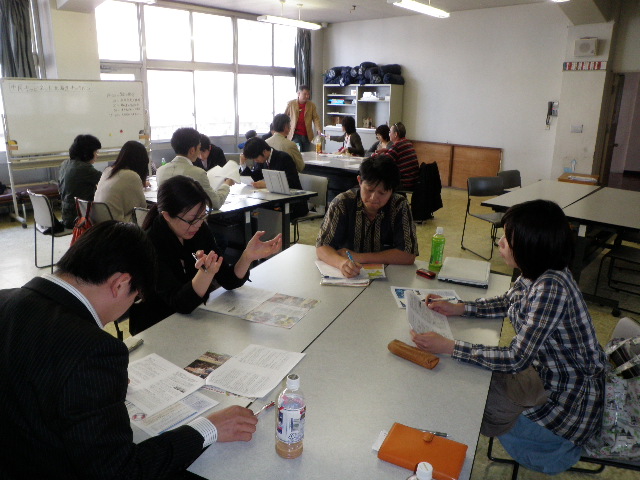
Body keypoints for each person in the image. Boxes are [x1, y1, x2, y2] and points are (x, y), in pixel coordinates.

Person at [0, 220, 259, 479]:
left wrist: (95, 386)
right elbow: (120, 471)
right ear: (120, 284)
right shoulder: (93, 349)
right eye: (137, 297)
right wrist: (208, 428)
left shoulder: (5, 299)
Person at [412, 199, 606, 475]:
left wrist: (450, 346)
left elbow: (516, 358)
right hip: (543, 377)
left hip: (565, 409)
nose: (500, 242)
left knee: (467, 394)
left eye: (508, 239)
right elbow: (508, 302)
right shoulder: (538, 271)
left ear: (531, 247)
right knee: (468, 377)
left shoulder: (551, 288)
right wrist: (461, 308)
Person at [129, 175, 281, 334]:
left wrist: (247, 256)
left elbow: (228, 280)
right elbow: (179, 303)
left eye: (202, 216)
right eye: (191, 220)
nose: (198, 224)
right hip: (157, 326)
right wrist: (206, 274)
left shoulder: (198, 230)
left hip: (194, 319)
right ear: (167, 215)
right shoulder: (151, 244)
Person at [316, 155, 418, 278]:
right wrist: (341, 263)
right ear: (359, 181)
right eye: (369, 190)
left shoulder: (399, 205)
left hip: (388, 277)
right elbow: (322, 246)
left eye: (382, 193)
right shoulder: (342, 203)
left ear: (392, 191)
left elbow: (408, 254)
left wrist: (359, 257)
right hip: (348, 277)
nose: (374, 198)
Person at [156, 127, 233, 210]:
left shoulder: (160, 171)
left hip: (167, 217)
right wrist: (226, 185)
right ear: (192, 150)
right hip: (188, 217)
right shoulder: (198, 173)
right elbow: (216, 203)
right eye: (199, 148)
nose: (199, 152)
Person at [240, 137, 309, 219]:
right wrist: (243, 164)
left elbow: (291, 182)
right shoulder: (262, 160)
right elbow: (255, 177)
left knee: (260, 215)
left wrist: (267, 184)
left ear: (264, 152)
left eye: (256, 158)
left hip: (293, 203)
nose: (255, 160)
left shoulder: (283, 158)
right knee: (253, 214)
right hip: (274, 200)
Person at [94, 140, 148, 223]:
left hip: (100, 225)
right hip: (118, 226)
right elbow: (142, 208)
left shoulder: (108, 171)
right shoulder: (131, 176)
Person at [58, 134, 102, 228]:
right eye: (95, 152)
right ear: (87, 153)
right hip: (79, 218)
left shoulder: (65, 164)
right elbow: (106, 180)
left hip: (67, 215)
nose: (97, 155)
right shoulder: (84, 168)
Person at [376, 122, 419, 190]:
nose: (389, 134)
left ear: (395, 134)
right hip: (413, 181)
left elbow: (384, 162)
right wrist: (387, 151)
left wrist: (375, 156)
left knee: (379, 182)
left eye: (390, 132)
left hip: (404, 183)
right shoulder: (407, 143)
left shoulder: (397, 146)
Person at [284, 85, 322, 152]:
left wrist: (318, 129)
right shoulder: (291, 104)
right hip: (294, 134)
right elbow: (284, 117)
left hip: (307, 135)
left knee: (306, 154)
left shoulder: (311, 105)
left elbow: (316, 118)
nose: (307, 96)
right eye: (305, 94)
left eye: (308, 94)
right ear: (299, 94)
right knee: (298, 152)